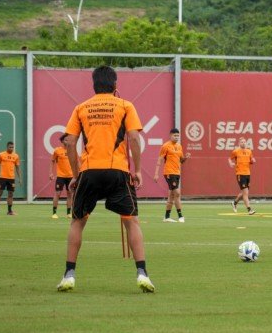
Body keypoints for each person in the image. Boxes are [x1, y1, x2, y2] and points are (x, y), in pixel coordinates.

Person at [56, 65, 154, 293]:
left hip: (89, 172)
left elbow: (69, 142)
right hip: (117, 171)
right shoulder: (125, 105)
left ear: (94, 85)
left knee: (78, 222)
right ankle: (142, 273)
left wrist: (75, 174)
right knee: (131, 221)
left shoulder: (81, 107)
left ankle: (69, 275)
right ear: (115, 85)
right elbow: (133, 137)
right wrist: (137, 170)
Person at [154, 128, 190, 223]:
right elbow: (160, 160)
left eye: (178, 135)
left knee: (171, 196)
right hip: (169, 173)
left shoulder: (179, 146)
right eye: (175, 135)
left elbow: (181, 160)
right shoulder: (166, 146)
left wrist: (185, 157)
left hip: (177, 172)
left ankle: (167, 217)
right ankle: (180, 216)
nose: (177, 137)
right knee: (177, 193)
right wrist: (156, 174)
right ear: (170, 135)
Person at [0, 141, 21, 216]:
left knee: (10, 194)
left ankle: (9, 211)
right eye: (10, 147)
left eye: (12, 147)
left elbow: (17, 168)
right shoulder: (1, 155)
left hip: (11, 178)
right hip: (2, 177)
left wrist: (20, 178)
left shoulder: (16, 156)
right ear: (7, 147)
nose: (11, 148)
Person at [49, 136, 74, 219]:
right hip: (60, 176)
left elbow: (75, 163)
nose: (68, 141)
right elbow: (52, 161)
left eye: (68, 140)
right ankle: (54, 213)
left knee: (70, 194)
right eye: (66, 140)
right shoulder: (57, 151)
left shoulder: (72, 150)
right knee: (58, 194)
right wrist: (51, 173)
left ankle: (68, 213)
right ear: (62, 141)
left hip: (70, 176)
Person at [229, 138, 256, 215]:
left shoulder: (249, 151)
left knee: (244, 192)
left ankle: (234, 203)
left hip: (248, 174)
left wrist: (253, 160)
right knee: (245, 193)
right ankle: (249, 209)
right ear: (239, 143)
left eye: (244, 142)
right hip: (240, 174)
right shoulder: (236, 151)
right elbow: (229, 159)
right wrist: (231, 163)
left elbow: (251, 160)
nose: (243, 143)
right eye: (242, 142)